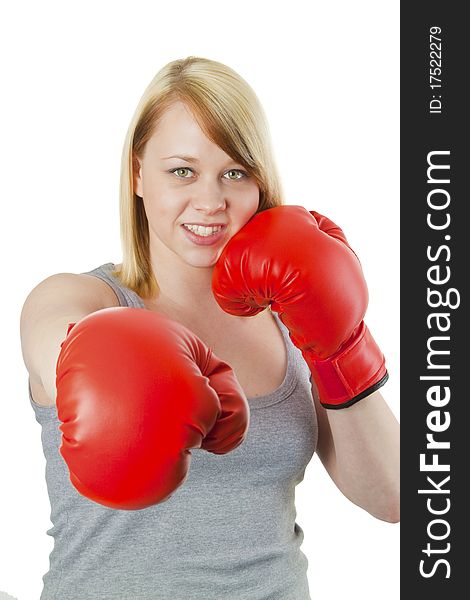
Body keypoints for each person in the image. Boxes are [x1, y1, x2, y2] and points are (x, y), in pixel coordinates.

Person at [20, 56, 400, 600]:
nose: (211, 201)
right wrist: (118, 368)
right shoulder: (80, 298)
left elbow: (393, 498)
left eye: (235, 172)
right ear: (137, 173)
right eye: (182, 170)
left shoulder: (293, 316)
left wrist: (343, 345)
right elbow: (53, 340)